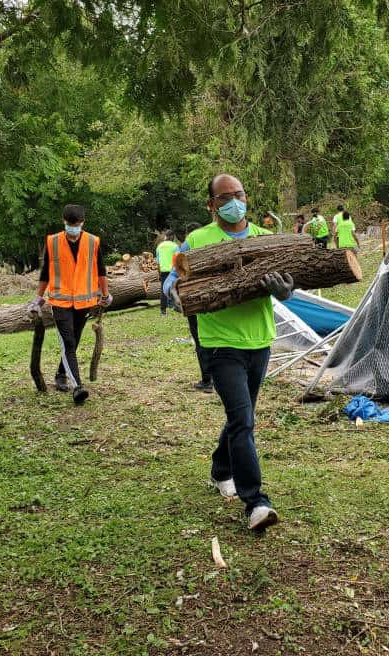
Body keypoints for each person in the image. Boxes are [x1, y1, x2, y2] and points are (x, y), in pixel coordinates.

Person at [163, 174, 294, 532]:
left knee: (242, 416)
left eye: (238, 195)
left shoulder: (266, 240)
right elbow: (172, 279)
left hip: (259, 340)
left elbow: (291, 280)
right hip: (220, 343)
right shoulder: (198, 240)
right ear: (211, 205)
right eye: (224, 197)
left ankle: (221, 469)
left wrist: (286, 292)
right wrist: (174, 291)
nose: (233, 201)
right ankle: (256, 502)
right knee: (243, 420)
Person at [34, 204, 111, 406]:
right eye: (70, 224)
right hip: (60, 301)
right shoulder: (53, 242)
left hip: (84, 302)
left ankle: (61, 373)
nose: (73, 228)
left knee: (74, 340)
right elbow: (45, 273)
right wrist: (38, 298)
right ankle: (77, 386)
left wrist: (106, 294)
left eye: (76, 224)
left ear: (82, 223)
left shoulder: (93, 242)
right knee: (68, 342)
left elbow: (101, 270)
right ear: (64, 222)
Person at [174, 222, 213, 393]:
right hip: (216, 296)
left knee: (200, 339)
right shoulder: (212, 241)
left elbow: (175, 271)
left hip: (194, 298)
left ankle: (207, 380)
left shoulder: (187, 245)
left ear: (188, 233)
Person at [155, 230, 179, 315]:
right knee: (175, 288)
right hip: (173, 271)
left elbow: (157, 262)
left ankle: (163, 311)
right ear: (172, 237)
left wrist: (159, 272)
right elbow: (177, 259)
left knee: (163, 290)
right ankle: (176, 306)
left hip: (163, 271)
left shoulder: (159, 246)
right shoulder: (175, 246)